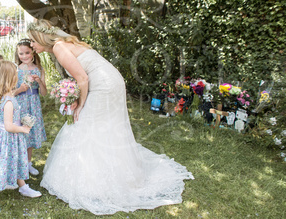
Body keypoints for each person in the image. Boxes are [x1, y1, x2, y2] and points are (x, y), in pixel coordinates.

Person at [27, 19, 194, 215]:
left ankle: (97, 182)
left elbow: (82, 78)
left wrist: (79, 103)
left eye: (32, 41)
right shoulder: (65, 45)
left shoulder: (59, 47)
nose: (31, 45)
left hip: (103, 85)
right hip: (110, 80)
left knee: (86, 122)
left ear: (40, 38)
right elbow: (81, 76)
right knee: (105, 127)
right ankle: (113, 174)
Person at [0, 60, 42, 215]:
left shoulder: (5, 96)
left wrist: (19, 120)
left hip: (8, 138)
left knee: (15, 161)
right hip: (6, 138)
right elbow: (8, 126)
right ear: (10, 78)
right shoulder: (8, 101)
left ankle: (23, 187)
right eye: (15, 75)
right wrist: (23, 128)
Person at [13, 39, 47, 176]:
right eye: (21, 53)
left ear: (33, 52)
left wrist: (39, 81)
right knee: (20, 135)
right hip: (20, 105)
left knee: (30, 135)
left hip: (33, 105)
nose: (24, 56)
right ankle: (18, 164)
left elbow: (44, 93)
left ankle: (28, 163)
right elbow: (10, 93)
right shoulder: (15, 70)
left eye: (27, 52)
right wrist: (20, 89)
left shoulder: (39, 70)